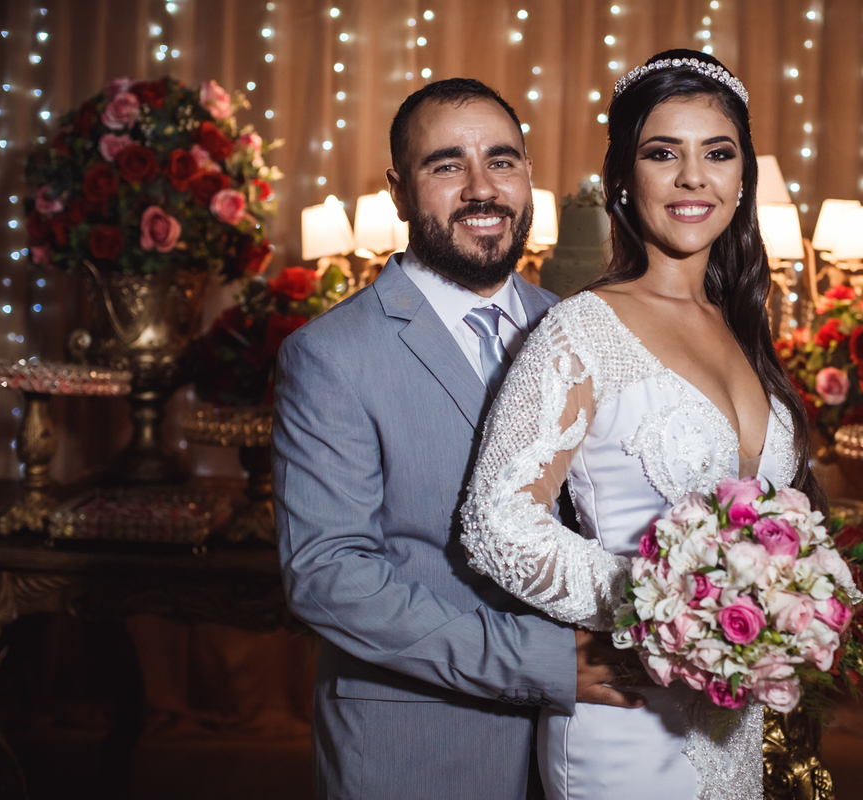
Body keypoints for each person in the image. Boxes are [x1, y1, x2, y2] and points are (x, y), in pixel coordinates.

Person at [461, 51, 827, 800]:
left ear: (742, 178)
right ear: (624, 179)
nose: (695, 177)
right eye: (665, 153)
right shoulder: (581, 331)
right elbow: (495, 521)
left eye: (718, 153)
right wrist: (664, 604)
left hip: (733, 719)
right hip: (626, 717)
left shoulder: (743, 329)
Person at [273, 78, 642, 800]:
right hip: (417, 745)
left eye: (502, 162)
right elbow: (328, 577)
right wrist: (544, 661)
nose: (482, 189)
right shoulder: (331, 355)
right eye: (447, 165)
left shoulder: (576, 327)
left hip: (590, 746)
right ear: (399, 191)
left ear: (527, 175)